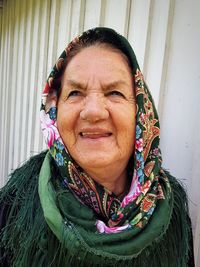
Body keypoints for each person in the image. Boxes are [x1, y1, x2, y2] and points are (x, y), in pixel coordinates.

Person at [0, 27, 194, 266]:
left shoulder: (171, 210)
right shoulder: (16, 201)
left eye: (114, 92)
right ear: (54, 110)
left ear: (141, 111)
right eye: (75, 93)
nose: (93, 111)